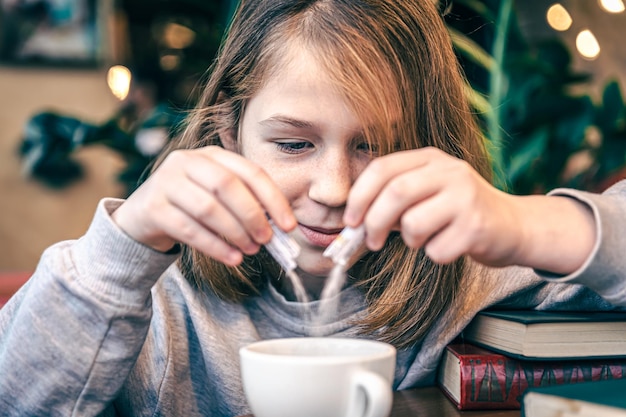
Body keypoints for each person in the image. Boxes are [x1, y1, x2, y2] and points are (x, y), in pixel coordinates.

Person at [1, 0, 625, 415]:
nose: (333, 188)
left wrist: (528, 224)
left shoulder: (475, 279)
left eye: (374, 146)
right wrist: (128, 241)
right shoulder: (156, 301)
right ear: (228, 133)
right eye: (293, 143)